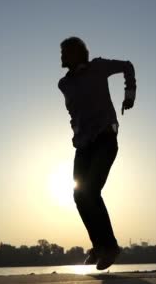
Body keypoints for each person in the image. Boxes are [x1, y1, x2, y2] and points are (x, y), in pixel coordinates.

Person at [57, 37, 136, 270]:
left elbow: (127, 66)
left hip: (105, 138)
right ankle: (99, 246)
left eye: (65, 52)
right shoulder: (64, 84)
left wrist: (129, 94)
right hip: (82, 145)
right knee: (79, 195)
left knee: (91, 190)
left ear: (78, 53)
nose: (61, 57)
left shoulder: (98, 67)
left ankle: (110, 247)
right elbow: (75, 113)